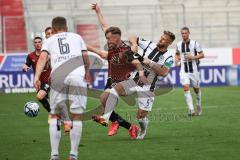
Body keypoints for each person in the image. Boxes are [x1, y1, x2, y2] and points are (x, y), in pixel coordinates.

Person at [94, 30, 175, 140]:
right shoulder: (149, 44)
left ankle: (142, 130)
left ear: (169, 43)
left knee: (141, 116)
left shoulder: (169, 57)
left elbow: (164, 72)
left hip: (147, 86)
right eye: (161, 37)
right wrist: (135, 45)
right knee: (114, 90)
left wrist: (150, 63)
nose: (161, 39)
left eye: (164, 39)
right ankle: (106, 118)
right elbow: (132, 36)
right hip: (134, 80)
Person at [34, 16, 90, 160]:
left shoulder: (50, 40)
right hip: (77, 76)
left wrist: (36, 78)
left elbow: (42, 58)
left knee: (55, 116)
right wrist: (86, 72)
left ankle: (54, 155)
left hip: (58, 78)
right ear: (67, 27)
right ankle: (73, 154)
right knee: (76, 116)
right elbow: (85, 57)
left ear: (52, 30)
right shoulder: (77, 37)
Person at [89, 3, 139, 138]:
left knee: (108, 97)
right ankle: (129, 126)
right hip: (112, 80)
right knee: (103, 100)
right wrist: (98, 12)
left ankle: (106, 119)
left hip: (125, 81)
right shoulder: (112, 45)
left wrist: (134, 45)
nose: (106, 40)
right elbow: (105, 27)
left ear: (116, 38)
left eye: (108, 38)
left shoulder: (125, 50)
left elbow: (134, 51)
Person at [175, 26, 204, 116]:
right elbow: (176, 54)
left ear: (188, 33)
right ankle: (191, 110)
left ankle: (198, 106)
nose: (184, 35)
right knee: (186, 88)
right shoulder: (179, 44)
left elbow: (202, 55)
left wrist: (193, 57)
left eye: (185, 33)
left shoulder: (195, 43)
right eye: (182, 33)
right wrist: (177, 60)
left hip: (194, 71)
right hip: (183, 71)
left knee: (196, 90)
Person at [23, 36, 51, 113]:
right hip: (39, 82)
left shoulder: (48, 54)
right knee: (41, 98)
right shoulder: (30, 56)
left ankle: (52, 113)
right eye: (36, 42)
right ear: (34, 44)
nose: (37, 44)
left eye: (39, 42)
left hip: (49, 81)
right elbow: (27, 65)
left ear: (42, 43)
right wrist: (24, 67)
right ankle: (54, 114)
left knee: (40, 96)